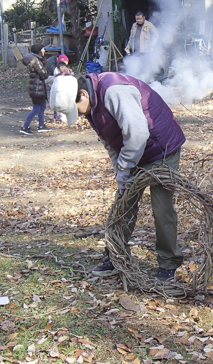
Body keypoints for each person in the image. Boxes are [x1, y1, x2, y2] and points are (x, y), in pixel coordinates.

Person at [49, 72, 186, 280]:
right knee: (123, 203)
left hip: (161, 148)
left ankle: (168, 263)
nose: (80, 116)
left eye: (76, 109)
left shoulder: (114, 91)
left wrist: (125, 165)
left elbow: (138, 134)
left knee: (162, 207)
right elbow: (110, 141)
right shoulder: (92, 107)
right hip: (134, 150)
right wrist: (120, 172)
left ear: (83, 94)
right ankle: (116, 255)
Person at [20, 44, 53, 135]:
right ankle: (25, 126)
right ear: (39, 50)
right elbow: (44, 74)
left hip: (37, 87)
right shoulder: (36, 61)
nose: (44, 51)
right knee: (36, 108)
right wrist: (47, 70)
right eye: (43, 49)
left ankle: (41, 125)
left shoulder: (35, 59)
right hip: (37, 88)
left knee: (42, 106)